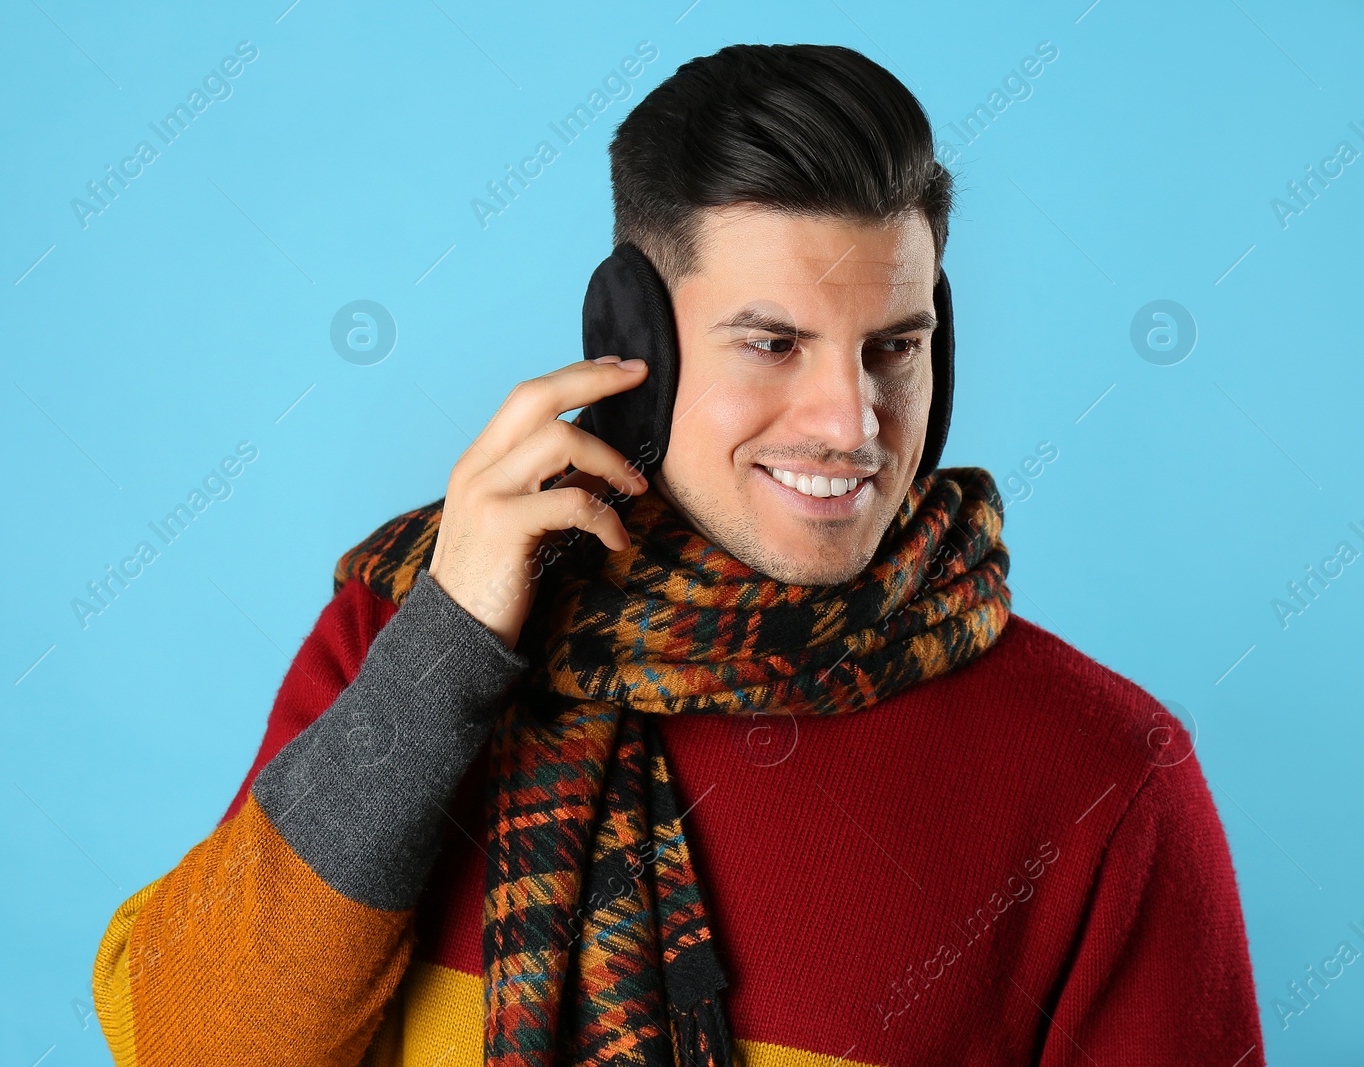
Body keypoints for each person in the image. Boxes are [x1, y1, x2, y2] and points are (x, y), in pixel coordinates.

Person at [91, 43, 1264, 1067]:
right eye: (772, 342)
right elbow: (192, 1044)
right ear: (627, 340)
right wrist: (445, 654)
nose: (850, 423)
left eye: (891, 349)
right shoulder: (401, 635)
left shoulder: (1107, 780)